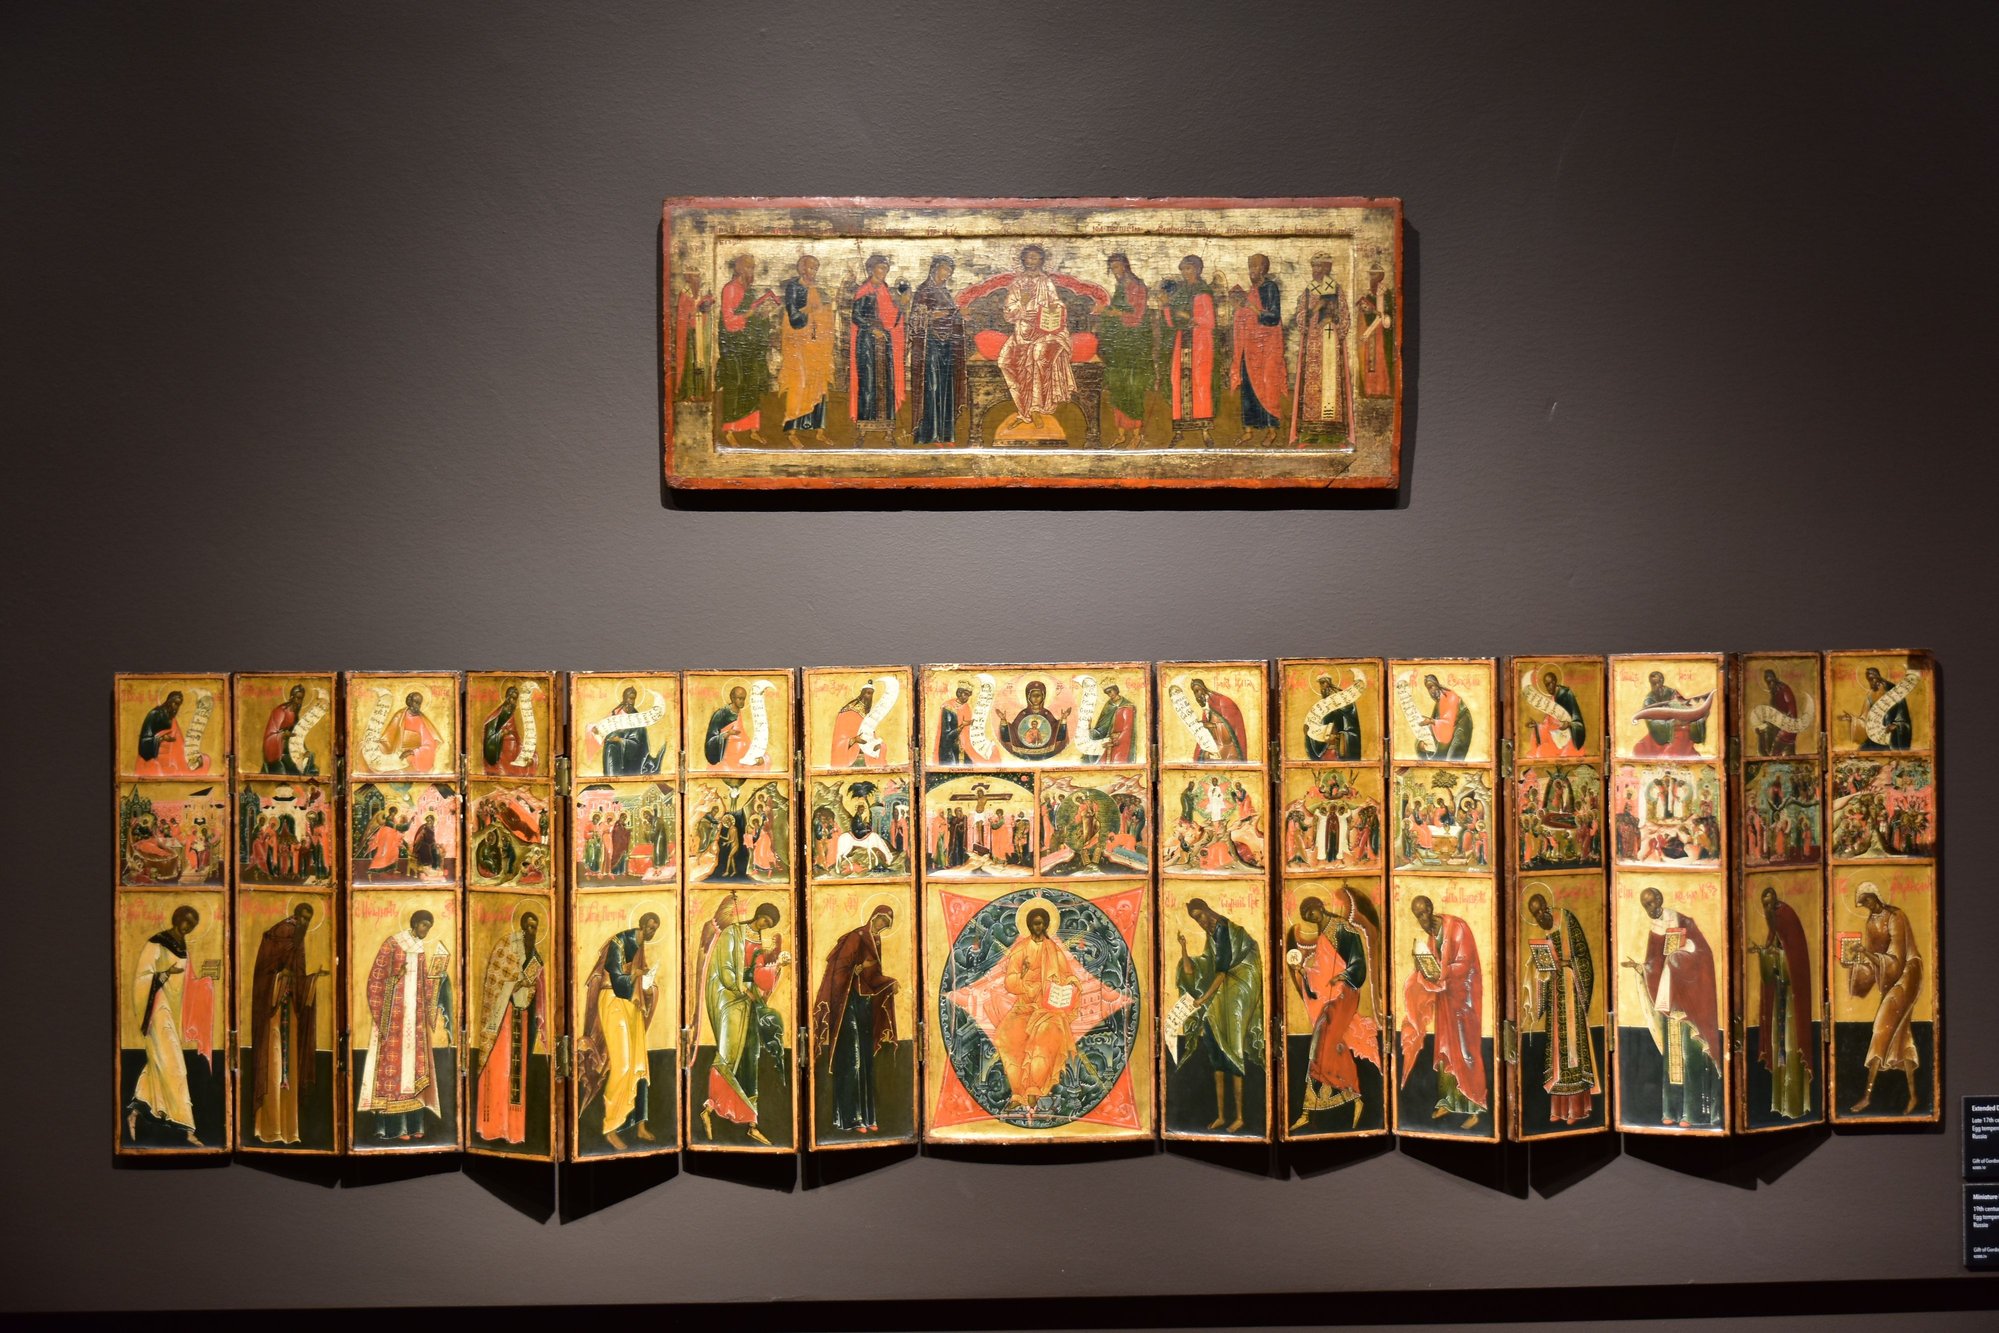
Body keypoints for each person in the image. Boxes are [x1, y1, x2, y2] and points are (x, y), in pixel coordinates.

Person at [1621, 887, 1722, 1128]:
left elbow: (1704, 955)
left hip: (1690, 1004)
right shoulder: (1655, 929)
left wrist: (1681, 957)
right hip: (1671, 1002)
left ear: (1660, 899)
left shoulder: (1684, 922)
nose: (1649, 909)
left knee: (1691, 1057)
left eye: (1651, 903)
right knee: (1673, 1060)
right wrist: (1641, 968)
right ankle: (1673, 1111)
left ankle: (1694, 1114)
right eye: (1645, 906)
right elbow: (1653, 962)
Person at [700, 901, 790, 1144]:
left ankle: (752, 1123)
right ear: (758, 915)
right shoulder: (733, 932)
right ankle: (708, 1109)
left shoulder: (758, 942)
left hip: (748, 1004)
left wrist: (777, 966)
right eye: (765, 920)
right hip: (730, 1001)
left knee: (752, 1057)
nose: (765, 925)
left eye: (769, 924)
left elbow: (757, 975)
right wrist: (742, 989)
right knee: (727, 1056)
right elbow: (724, 968)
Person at [1286, 891, 1377, 1128]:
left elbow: (1358, 960)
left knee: (1324, 1038)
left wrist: (1344, 975)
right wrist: (1304, 972)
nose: (1310, 916)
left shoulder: (1341, 928)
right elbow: (1321, 974)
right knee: (1324, 1043)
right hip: (1331, 995)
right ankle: (1325, 1105)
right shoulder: (1323, 935)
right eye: (1306, 915)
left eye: (1311, 910)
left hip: (1346, 992)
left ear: (1320, 905)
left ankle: (1342, 1097)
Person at [358, 910, 450, 1142]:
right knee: (394, 1073)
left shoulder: (420, 950)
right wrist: (395, 978)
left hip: (414, 1022)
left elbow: (424, 985)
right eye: (424, 925)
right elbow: (375, 980)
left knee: (414, 1073)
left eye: (429, 926)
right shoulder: (392, 944)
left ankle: (414, 1126)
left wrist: (438, 978)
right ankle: (393, 1129)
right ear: (415, 923)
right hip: (394, 1020)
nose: (426, 930)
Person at [1398, 894, 1487, 1129]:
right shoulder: (1432, 936)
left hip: (1465, 999)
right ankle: (1449, 1101)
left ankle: (1474, 1107)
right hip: (1447, 999)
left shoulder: (1456, 927)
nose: (1421, 919)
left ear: (1430, 909)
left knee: (1465, 1050)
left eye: (1423, 913)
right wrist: (1422, 967)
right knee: (1446, 1048)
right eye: (1417, 916)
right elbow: (1435, 967)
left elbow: (1464, 963)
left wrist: (1440, 972)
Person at [1176, 899, 1264, 1133]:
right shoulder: (1213, 935)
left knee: (1232, 1052)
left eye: (1200, 916)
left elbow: (1222, 972)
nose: (1200, 922)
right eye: (1195, 919)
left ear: (1207, 910)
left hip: (1237, 992)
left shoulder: (1224, 930)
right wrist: (1184, 949)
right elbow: (1205, 967)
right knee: (1216, 1053)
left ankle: (1240, 1117)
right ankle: (1222, 1116)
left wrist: (1203, 999)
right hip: (1221, 994)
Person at [813, 904, 899, 1134]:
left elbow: (874, 977)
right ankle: (850, 1118)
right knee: (852, 1059)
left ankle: (868, 1117)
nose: (882, 926)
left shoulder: (875, 941)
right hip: (846, 1003)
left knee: (866, 1060)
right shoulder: (856, 936)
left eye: (886, 924)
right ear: (874, 917)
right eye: (881, 920)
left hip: (863, 1004)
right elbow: (840, 969)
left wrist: (890, 982)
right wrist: (858, 968)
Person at [578, 913, 660, 1151]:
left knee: (640, 1065)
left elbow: (639, 981)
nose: (652, 931)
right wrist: (636, 975)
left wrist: (647, 985)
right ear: (641, 925)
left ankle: (639, 1125)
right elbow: (617, 980)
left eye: (656, 928)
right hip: (613, 1001)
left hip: (631, 1004)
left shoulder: (641, 947)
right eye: (650, 927)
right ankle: (610, 1127)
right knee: (623, 1066)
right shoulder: (619, 942)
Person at [1841, 882, 1924, 1115]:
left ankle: (1867, 1096)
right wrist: (1855, 963)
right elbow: (1874, 963)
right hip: (1890, 981)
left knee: (1880, 1027)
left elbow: (1896, 959)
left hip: (1907, 974)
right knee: (1901, 1037)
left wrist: (1866, 953)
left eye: (1867, 900)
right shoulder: (1871, 923)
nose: (1866, 906)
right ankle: (1913, 1096)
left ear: (1875, 896)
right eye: (1862, 903)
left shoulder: (1896, 917)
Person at [126, 904, 206, 1146]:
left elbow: (186, 981)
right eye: (186, 921)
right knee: (175, 1065)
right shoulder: (157, 942)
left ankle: (134, 1113)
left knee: (158, 1064)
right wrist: (167, 973)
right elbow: (143, 977)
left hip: (173, 1010)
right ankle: (187, 1128)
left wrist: (204, 980)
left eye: (193, 924)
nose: (188, 927)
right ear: (177, 918)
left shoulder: (184, 947)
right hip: (156, 1009)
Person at [992, 904, 1081, 1120]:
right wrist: (1024, 982)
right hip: (1025, 1006)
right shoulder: (1021, 949)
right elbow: (1010, 981)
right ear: (1029, 925)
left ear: (1046, 925)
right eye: (1034, 923)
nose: (1037, 927)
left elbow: (1068, 975)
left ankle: (1033, 1089)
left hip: (1049, 1008)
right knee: (1006, 1037)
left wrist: (1070, 985)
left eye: (1041, 923)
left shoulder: (1054, 950)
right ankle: (1017, 1093)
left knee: (1043, 1038)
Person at [249, 901, 326, 1144]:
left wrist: (311, 980)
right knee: (272, 1067)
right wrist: (280, 976)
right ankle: (269, 1129)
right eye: (302, 917)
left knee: (289, 1070)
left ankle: (289, 1131)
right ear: (295, 915)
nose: (304, 923)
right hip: (272, 1015)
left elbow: (298, 979)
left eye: (308, 920)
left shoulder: (298, 940)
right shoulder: (279, 933)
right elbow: (264, 973)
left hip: (289, 1014)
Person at [1523, 892, 1598, 1125]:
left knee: (1573, 1053)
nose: (1539, 917)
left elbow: (1584, 958)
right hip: (1556, 997)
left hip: (1572, 995)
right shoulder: (1546, 930)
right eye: (1535, 915)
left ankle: (1576, 1109)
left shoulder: (1567, 920)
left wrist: (1567, 964)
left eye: (1541, 911)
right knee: (1556, 1052)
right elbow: (1546, 968)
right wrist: (1541, 966)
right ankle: (1558, 1109)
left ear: (1547, 906)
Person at [474, 909, 546, 1146]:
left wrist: (530, 981)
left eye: (535, 927)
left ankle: (514, 1131)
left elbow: (534, 984)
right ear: (522, 926)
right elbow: (496, 978)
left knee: (515, 1074)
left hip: (521, 1016)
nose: (532, 931)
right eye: (529, 926)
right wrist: (517, 982)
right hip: (501, 1019)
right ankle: (492, 1127)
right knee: (499, 1070)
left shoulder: (534, 953)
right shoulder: (506, 945)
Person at [1752, 885, 1815, 1120]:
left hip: (1791, 1002)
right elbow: (1771, 969)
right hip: (1779, 998)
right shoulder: (1774, 926)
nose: (1768, 909)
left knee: (1791, 1048)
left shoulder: (1787, 918)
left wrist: (1772, 956)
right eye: (1764, 905)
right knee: (1779, 1048)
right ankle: (1780, 1104)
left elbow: (1793, 964)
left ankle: (1795, 1106)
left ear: (1777, 902)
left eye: (1771, 904)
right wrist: (1764, 953)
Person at [997, 244, 1075, 428]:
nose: (1031, 261)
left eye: (1035, 258)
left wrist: (1053, 308)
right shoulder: (1017, 284)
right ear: (1023, 259)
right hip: (1022, 332)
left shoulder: (1046, 282)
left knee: (1037, 356)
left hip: (1045, 331)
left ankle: (1036, 409)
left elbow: (1057, 304)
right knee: (1004, 362)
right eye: (1028, 257)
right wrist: (1022, 310)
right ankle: (1024, 410)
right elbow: (1008, 312)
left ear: (1041, 260)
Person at [716, 253, 779, 444]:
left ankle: (752, 429)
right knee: (735, 383)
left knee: (753, 382)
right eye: (749, 267)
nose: (751, 271)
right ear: (739, 269)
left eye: (753, 267)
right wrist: (748, 314)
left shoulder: (749, 291)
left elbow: (755, 322)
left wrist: (763, 315)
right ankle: (730, 430)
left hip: (750, 346)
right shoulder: (730, 289)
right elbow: (728, 322)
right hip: (733, 346)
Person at [1229, 253, 1287, 445]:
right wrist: (1240, 307)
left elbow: (1273, 318)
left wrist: (1250, 307)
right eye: (1250, 267)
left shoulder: (1270, 288)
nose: (1251, 271)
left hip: (1267, 348)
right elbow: (1246, 315)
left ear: (1263, 268)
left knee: (1268, 387)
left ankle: (1271, 431)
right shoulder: (1252, 291)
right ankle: (1248, 430)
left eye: (1255, 267)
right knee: (1248, 389)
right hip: (1250, 348)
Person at [1094, 253, 1151, 445]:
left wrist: (1106, 311)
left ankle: (1136, 435)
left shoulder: (1136, 286)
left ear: (1126, 266)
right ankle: (1121, 434)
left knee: (1132, 388)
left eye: (1117, 267)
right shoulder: (1121, 287)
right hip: (1118, 345)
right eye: (1112, 268)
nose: (1115, 271)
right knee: (1117, 387)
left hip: (1132, 345)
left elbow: (1135, 316)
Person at [1293, 251, 1350, 440]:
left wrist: (1334, 322)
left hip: (1331, 341)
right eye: (1314, 266)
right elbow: (1300, 314)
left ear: (1327, 268)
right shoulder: (1308, 291)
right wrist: (1308, 314)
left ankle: (1333, 426)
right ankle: (1311, 425)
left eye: (1319, 266)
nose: (1316, 270)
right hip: (1312, 343)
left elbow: (1344, 314)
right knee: (1312, 382)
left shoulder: (1336, 289)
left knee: (1330, 378)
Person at [1159, 254, 1218, 435]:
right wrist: (1166, 306)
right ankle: (1180, 428)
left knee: (1200, 381)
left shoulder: (1203, 291)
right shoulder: (1180, 292)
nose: (1185, 272)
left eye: (1189, 268)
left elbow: (1210, 322)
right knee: (1178, 380)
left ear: (1198, 270)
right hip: (1182, 339)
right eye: (1183, 269)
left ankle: (1204, 428)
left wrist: (1190, 317)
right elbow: (1172, 323)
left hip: (1200, 342)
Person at [777, 254, 834, 441]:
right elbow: (794, 318)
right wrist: (810, 310)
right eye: (810, 268)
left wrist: (824, 312)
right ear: (802, 269)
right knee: (799, 382)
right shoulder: (794, 288)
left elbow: (822, 312)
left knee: (818, 381)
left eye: (816, 268)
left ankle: (819, 431)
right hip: (797, 344)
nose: (813, 272)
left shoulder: (817, 289)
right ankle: (792, 430)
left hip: (816, 344)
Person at [848, 254, 905, 430]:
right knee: (868, 380)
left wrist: (902, 306)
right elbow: (856, 316)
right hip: (867, 342)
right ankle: (866, 422)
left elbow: (891, 319)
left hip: (884, 341)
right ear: (871, 269)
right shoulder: (864, 290)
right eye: (881, 268)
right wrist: (872, 329)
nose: (884, 272)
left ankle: (886, 422)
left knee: (886, 380)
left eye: (886, 268)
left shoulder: (885, 290)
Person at [911, 256, 963, 444]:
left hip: (947, 344)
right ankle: (930, 434)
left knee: (945, 386)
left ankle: (945, 433)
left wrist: (958, 316)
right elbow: (919, 318)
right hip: (930, 344)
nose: (947, 274)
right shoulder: (924, 290)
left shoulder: (945, 292)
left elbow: (950, 315)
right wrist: (951, 313)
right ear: (934, 269)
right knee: (932, 386)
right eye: (944, 269)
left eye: (950, 271)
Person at [1633, 671, 1710, 758]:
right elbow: (1652, 722)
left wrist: (1694, 713)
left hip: (1680, 723)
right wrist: (1672, 723)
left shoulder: (1671, 692)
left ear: (1662, 681)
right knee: (1642, 749)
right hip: (1664, 731)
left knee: (1686, 729)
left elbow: (1682, 704)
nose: (1657, 686)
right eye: (1654, 684)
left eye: (1659, 683)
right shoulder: (1649, 700)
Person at [670, 270, 714, 401]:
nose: (697, 279)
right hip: (689, 333)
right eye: (694, 277)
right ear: (689, 278)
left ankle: (699, 392)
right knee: (690, 362)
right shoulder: (684, 294)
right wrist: (695, 310)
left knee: (700, 362)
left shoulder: (702, 292)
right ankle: (689, 392)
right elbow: (683, 315)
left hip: (701, 331)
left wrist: (707, 305)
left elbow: (708, 307)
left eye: (698, 276)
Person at [1355, 261, 1394, 398]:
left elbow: (1388, 313)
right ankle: (1370, 390)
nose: (1372, 277)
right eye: (1370, 275)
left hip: (1381, 332)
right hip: (1370, 330)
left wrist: (1383, 316)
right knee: (1370, 360)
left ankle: (1382, 389)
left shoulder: (1385, 292)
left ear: (1380, 276)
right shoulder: (1368, 294)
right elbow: (1363, 313)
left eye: (1374, 275)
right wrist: (1366, 311)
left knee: (1380, 358)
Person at [136, 690, 198, 776]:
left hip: (168, 760)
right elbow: (144, 741)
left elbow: (180, 743)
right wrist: (162, 738)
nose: (176, 708)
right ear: (169, 701)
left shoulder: (172, 719)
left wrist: (191, 756)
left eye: (179, 705)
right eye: (175, 704)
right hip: (153, 760)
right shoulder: (154, 714)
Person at [381, 691, 443, 771]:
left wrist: (413, 752)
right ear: (409, 702)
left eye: (419, 703)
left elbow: (429, 744)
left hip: (415, 757)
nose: (418, 706)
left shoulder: (422, 721)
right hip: (397, 753)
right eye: (416, 702)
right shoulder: (399, 716)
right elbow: (387, 738)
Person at [600, 685, 653, 777]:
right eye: (630, 698)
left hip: (631, 759)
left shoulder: (637, 718)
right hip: (613, 753)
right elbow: (604, 730)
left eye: (634, 699)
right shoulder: (614, 714)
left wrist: (620, 741)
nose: (632, 702)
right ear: (624, 698)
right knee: (611, 748)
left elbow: (638, 743)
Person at [1856, 667, 1914, 751]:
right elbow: (1864, 716)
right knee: (1861, 752)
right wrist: (1852, 719)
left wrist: (1896, 726)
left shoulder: (1893, 692)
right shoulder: (1870, 695)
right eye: (1868, 680)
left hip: (1891, 737)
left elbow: (1903, 717)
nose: (1871, 682)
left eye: (1872, 679)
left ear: (1878, 677)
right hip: (1875, 736)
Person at [1190, 678, 1247, 762]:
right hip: (1216, 745)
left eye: (1198, 691)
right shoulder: (1207, 707)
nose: (1197, 696)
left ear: (1203, 688)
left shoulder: (1221, 701)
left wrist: (1211, 726)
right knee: (1203, 757)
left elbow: (1229, 733)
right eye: (1195, 693)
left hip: (1229, 749)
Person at [481, 685, 533, 776]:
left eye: (515, 699)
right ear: (507, 698)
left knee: (533, 757)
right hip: (501, 748)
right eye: (512, 698)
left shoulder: (511, 713)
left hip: (513, 748)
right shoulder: (500, 712)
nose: (514, 702)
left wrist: (524, 751)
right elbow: (490, 734)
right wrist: (502, 733)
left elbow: (516, 734)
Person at [1419, 673, 1474, 759]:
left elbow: (1448, 722)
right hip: (1448, 730)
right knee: (1437, 758)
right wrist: (1424, 741)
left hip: (1462, 725)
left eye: (1431, 686)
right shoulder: (1438, 703)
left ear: (1436, 684)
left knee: (1452, 758)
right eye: (1428, 689)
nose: (1431, 691)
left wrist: (1431, 721)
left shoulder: (1450, 696)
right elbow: (1433, 724)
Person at [830, 683, 884, 769]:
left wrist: (876, 745)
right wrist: (854, 740)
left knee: (883, 746)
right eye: (868, 693)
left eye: (872, 694)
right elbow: (838, 741)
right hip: (851, 758)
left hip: (866, 756)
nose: (870, 697)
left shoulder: (867, 715)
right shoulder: (847, 712)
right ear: (862, 693)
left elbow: (871, 735)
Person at [261, 683, 309, 774]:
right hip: (277, 755)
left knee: (307, 766)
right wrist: (283, 735)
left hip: (290, 753)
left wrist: (304, 749)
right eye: (298, 698)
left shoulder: (295, 713)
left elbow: (297, 734)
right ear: (291, 697)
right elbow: (270, 737)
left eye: (301, 699)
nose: (300, 702)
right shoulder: (280, 711)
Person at [704, 684, 752, 767]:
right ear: (732, 698)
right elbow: (711, 741)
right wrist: (727, 734)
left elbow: (745, 736)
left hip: (741, 751)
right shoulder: (721, 714)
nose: (742, 701)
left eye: (743, 699)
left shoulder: (743, 714)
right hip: (726, 754)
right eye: (740, 698)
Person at [1087, 682, 1136, 764]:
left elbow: (1128, 727)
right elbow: (1102, 724)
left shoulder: (1127, 705)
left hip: (1121, 740)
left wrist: (1119, 737)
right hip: (1108, 739)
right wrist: (1091, 730)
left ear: (1116, 690)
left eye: (1110, 691)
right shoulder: (1108, 705)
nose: (1109, 694)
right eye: (1107, 693)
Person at [1756, 668, 1800, 756]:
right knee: (1766, 731)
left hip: (1787, 726)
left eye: (1771, 681)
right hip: (1778, 725)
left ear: (1775, 679)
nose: (1770, 685)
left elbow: (1791, 708)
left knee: (1776, 751)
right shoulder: (1774, 693)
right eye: (1768, 682)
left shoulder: (1784, 689)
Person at [936, 682, 973, 766]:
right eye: (965, 694)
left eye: (968, 695)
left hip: (963, 745)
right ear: (959, 693)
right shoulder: (948, 708)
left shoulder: (966, 707)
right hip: (950, 750)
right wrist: (962, 725)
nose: (967, 697)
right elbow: (947, 735)